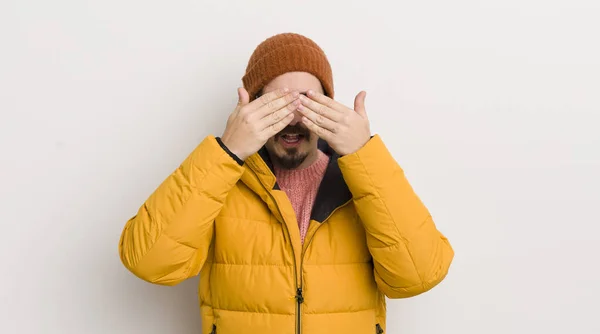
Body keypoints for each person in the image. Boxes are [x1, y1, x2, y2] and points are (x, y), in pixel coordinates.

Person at [118, 32, 454, 334]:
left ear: (329, 106)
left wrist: (364, 155)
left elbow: (418, 275)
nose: (293, 116)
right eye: (277, 102)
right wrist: (227, 152)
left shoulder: (360, 182)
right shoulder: (220, 180)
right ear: (251, 106)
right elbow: (150, 262)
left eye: (308, 100)